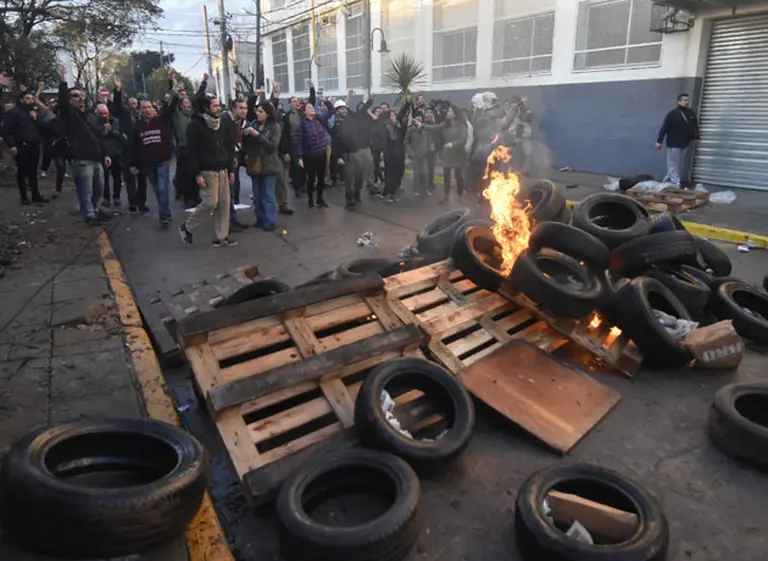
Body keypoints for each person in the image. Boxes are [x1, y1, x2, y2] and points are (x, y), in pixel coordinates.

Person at [179, 94, 238, 247]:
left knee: (224, 204)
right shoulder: (196, 126)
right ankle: (187, 227)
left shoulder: (220, 125)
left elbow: (226, 148)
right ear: (206, 108)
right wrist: (197, 173)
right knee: (210, 202)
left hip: (222, 169)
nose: (219, 109)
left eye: (219, 105)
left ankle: (221, 237)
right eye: (215, 106)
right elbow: (191, 152)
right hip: (207, 171)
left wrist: (231, 169)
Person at [58, 67, 111, 224]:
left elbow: (99, 136)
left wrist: (105, 154)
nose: (80, 98)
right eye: (75, 96)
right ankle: (89, 215)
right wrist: (62, 83)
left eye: (81, 95)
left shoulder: (91, 116)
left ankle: (94, 211)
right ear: (69, 99)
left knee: (99, 189)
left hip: (96, 158)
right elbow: (63, 104)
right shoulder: (70, 116)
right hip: (82, 160)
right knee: (85, 190)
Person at [129, 94, 176, 227]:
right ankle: (166, 211)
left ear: (154, 109)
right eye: (144, 108)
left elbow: (171, 109)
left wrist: (175, 92)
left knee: (162, 187)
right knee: (157, 189)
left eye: (149, 107)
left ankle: (163, 216)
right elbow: (134, 146)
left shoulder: (161, 121)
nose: (147, 110)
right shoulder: (137, 126)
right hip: (147, 163)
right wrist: (133, 164)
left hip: (163, 160)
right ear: (140, 110)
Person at [2, 87, 49, 204]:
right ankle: (24, 196)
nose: (30, 100)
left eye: (32, 98)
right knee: (22, 172)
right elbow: (6, 129)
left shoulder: (34, 112)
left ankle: (35, 194)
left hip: (34, 145)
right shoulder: (14, 112)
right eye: (27, 98)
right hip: (21, 145)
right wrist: (12, 145)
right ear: (22, 99)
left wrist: (36, 118)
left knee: (33, 171)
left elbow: (43, 127)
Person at [243, 101, 282, 231]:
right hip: (255, 163)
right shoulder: (253, 124)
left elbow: (272, 146)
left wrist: (257, 135)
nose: (258, 114)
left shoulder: (275, 127)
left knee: (269, 195)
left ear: (268, 114)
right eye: (257, 111)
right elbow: (246, 144)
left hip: (269, 164)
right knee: (257, 195)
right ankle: (260, 218)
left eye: (261, 112)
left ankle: (270, 222)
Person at [167, 70, 204, 208]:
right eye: (185, 102)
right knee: (186, 173)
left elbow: (199, 99)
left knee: (195, 172)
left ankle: (196, 195)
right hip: (183, 147)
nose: (187, 103)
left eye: (188, 101)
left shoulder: (193, 115)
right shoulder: (177, 114)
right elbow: (172, 101)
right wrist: (173, 85)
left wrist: (203, 84)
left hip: (195, 147)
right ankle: (187, 196)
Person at [111, 77, 148, 214]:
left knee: (142, 180)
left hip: (142, 153)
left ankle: (142, 203)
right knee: (130, 179)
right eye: (131, 103)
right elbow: (117, 104)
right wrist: (118, 90)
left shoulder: (143, 117)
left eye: (135, 103)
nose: (134, 105)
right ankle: (133, 203)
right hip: (128, 151)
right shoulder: (125, 115)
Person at [294, 85, 333, 208]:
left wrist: (324, 100)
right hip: (309, 156)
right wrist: (300, 157)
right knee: (311, 178)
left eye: (312, 107)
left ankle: (320, 199)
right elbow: (299, 141)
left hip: (321, 153)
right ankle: (311, 199)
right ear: (304, 112)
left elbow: (331, 111)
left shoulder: (319, 120)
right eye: (309, 107)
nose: (312, 108)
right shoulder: (303, 124)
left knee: (321, 177)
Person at [422, 104, 468, 205]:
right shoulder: (445, 123)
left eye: (450, 111)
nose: (448, 113)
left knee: (458, 176)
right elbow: (434, 128)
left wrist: (452, 144)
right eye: (448, 111)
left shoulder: (461, 124)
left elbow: (463, 139)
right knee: (446, 175)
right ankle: (446, 196)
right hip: (447, 153)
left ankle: (460, 195)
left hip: (458, 153)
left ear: (455, 114)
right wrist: (421, 125)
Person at [337, 94, 376, 210]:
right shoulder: (336, 123)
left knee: (359, 177)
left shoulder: (353, 118)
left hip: (358, 152)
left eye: (344, 108)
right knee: (349, 180)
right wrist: (338, 157)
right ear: (337, 111)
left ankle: (357, 195)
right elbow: (336, 142)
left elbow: (363, 109)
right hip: (346, 155)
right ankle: (350, 200)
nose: (343, 110)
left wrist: (370, 100)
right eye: (341, 109)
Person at [655, 93, 700, 188]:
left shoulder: (690, 113)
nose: (687, 102)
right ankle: (675, 181)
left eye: (688, 100)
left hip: (685, 142)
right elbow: (664, 128)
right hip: (674, 143)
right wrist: (659, 141)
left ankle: (671, 178)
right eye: (684, 100)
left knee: (679, 163)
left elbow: (694, 126)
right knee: (673, 163)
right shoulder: (672, 114)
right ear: (679, 101)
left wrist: (697, 137)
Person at [382, 98, 412, 203]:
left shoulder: (398, 126)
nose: (394, 117)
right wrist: (387, 155)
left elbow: (402, 114)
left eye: (395, 116)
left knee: (399, 172)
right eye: (392, 116)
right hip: (390, 154)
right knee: (391, 174)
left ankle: (392, 191)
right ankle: (389, 194)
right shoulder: (386, 126)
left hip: (399, 153)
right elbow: (385, 142)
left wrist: (408, 103)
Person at [95, 103, 125, 207]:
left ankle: (116, 196)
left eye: (105, 113)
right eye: (101, 114)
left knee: (117, 176)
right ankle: (106, 197)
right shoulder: (95, 122)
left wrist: (111, 131)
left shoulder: (115, 121)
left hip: (116, 153)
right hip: (103, 153)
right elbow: (95, 136)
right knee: (105, 178)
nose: (104, 116)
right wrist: (103, 131)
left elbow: (121, 135)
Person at [406, 113, 432, 197]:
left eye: (420, 118)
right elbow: (406, 143)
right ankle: (416, 190)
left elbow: (429, 141)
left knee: (425, 173)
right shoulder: (410, 130)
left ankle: (426, 189)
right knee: (416, 174)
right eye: (417, 118)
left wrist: (429, 150)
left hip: (424, 155)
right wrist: (410, 152)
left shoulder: (426, 129)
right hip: (415, 155)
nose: (419, 120)